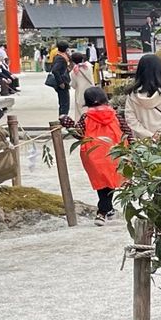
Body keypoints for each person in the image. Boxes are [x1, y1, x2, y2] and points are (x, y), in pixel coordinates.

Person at [65, 86, 123, 223]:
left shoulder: (86, 117)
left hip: (93, 153)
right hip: (114, 152)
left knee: (102, 181)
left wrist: (67, 123)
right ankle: (105, 211)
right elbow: (126, 131)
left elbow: (78, 134)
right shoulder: (116, 115)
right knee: (110, 179)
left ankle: (103, 211)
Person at [47, 41, 73, 118]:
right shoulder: (60, 58)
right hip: (62, 82)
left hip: (63, 80)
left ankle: (63, 118)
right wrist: (60, 82)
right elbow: (55, 70)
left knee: (64, 102)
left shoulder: (61, 56)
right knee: (64, 103)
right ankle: (63, 119)